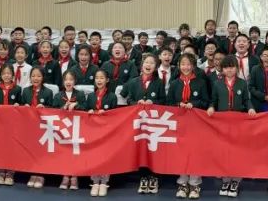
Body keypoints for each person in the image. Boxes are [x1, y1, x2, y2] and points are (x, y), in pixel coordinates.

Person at [206, 55, 256, 198]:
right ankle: (226, 180)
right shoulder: (217, 83)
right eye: (226, 67)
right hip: (222, 124)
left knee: (237, 151)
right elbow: (213, 100)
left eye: (232, 67)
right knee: (224, 152)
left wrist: (250, 108)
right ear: (222, 69)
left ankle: (236, 180)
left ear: (237, 68)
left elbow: (246, 100)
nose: (229, 70)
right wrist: (211, 107)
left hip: (238, 123)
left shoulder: (242, 83)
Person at [120, 54, 166, 194]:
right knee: (141, 149)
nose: (148, 65)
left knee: (153, 149)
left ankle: (154, 177)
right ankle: (143, 177)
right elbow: (127, 99)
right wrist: (136, 103)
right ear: (142, 65)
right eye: (146, 62)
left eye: (152, 63)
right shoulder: (133, 82)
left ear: (156, 67)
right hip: (139, 123)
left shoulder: (159, 83)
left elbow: (163, 101)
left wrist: (154, 102)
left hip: (153, 123)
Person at [168, 53, 208, 199]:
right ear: (179, 66)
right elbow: (168, 103)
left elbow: (206, 101)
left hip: (196, 124)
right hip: (179, 124)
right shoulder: (174, 84)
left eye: (188, 64)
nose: (186, 67)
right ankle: (183, 182)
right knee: (181, 153)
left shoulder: (201, 82)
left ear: (193, 66)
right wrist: (178, 104)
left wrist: (194, 104)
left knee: (195, 152)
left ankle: (195, 183)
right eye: (183, 64)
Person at [86, 69, 118, 197]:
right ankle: (95, 182)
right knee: (94, 155)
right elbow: (84, 111)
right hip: (93, 131)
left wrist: (106, 114)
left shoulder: (112, 96)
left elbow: (116, 115)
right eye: (97, 78)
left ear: (107, 80)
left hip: (107, 132)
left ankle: (104, 182)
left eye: (102, 78)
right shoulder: (91, 96)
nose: (99, 80)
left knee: (105, 155)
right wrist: (89, 112)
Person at [21, 67, 54, 188]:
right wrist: (23, 107)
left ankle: (41, 174)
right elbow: (20, 106)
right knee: (31, 150)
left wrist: (44, 107)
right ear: (30, 77)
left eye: (39, 76)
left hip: (43, 126)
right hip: (29, 125)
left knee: (41, 150)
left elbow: (53, 109)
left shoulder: (48, 92)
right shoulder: (25, 91)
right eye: (33, 76)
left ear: (43, 78)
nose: (36, 78)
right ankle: (32, 173)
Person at [53, 70, 86, 191]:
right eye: (66, 79)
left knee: (75, 152)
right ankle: (65, 175)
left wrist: (76, 105)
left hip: (77, 129)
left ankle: (74, 176)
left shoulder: (80, 94)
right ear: (63, 81)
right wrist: (64, 107)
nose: (68, 82)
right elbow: (52, 111)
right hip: (63, 130)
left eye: (71, 79)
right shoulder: (58, 95)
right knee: (64, 152)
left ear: (75, 81)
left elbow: (85, 108)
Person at [0, 64, 20, 185]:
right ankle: (0, 172)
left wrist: (18, 105)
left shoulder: (18, 89)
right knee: (0, 146)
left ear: (13, 75)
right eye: (4, 73)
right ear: (0, 75)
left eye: (9, 73)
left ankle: (10, 172)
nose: (6, 76)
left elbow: (21, 104)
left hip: (13, 123)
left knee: (11, 147)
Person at [248, 46, 268, 112]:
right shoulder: (255, 69)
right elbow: (251, 87)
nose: (267, 58)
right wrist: (264, 97)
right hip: (258, 102)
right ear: (261, 57)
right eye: (264, 55)